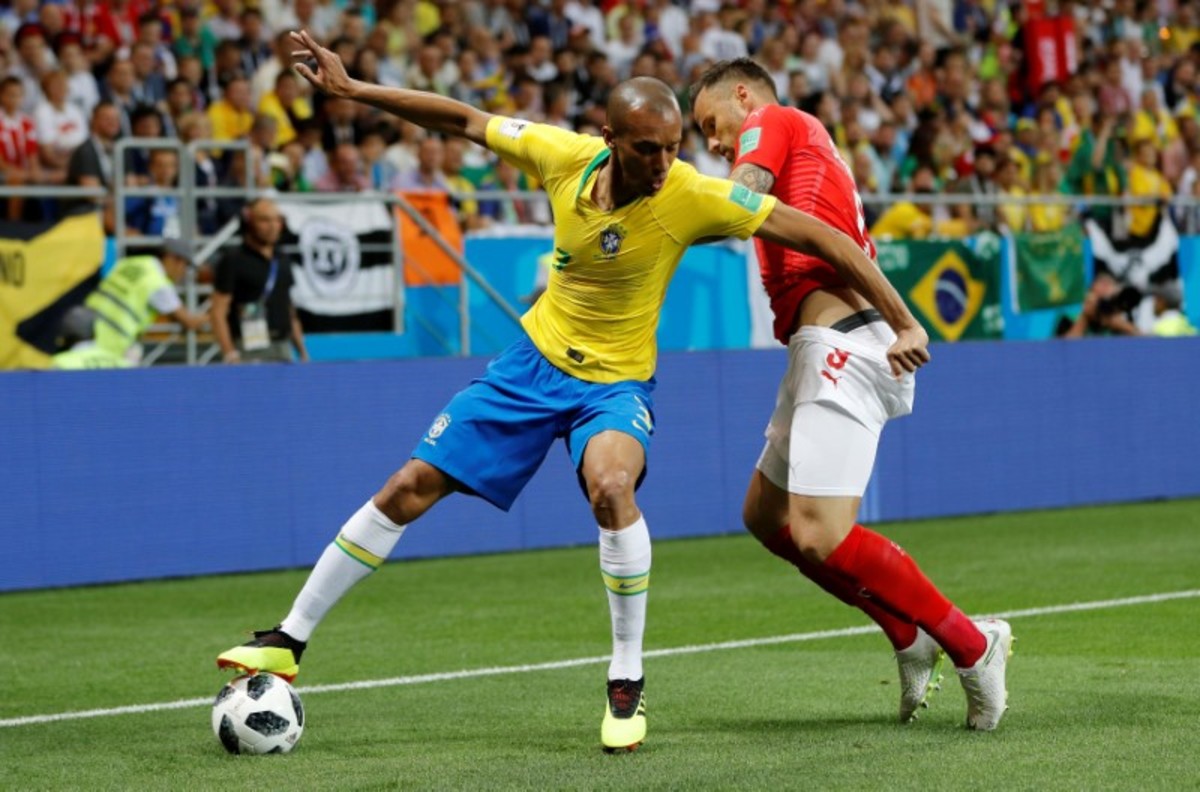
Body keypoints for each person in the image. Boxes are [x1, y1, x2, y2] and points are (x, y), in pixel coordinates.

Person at [217, 30, 930, 753]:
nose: (664, 164)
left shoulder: (689, 194)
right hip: (531, 366)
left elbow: (828, 239)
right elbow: (462, 118)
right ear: (609, 140)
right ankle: (288, 639)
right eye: (647, 150)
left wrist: (902, 320)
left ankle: (626, 680)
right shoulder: (561, 154)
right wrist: (353, 89)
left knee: (612, 487)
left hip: (614, 385)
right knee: (408, 486)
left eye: (674, 147)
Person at [689, 58, 1012, 731]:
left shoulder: (772, 120)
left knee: (818, 533)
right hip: (817, 343)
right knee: (765, 516)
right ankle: (906, 634)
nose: (713, 142)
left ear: (742, 96)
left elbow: (743, 200)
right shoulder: (804, 140)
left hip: (844, 340)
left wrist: (656, 198)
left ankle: (973, 644)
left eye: (711, 124)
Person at [56, 238, 208, 362]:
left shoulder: (133, 262)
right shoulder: (157, 283)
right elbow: (189, 322)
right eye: (185, 266)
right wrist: (213, 316)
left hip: (83, 329)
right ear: (174, 259)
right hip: (111, 343)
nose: (183, 273)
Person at [210, 196, 309, 364]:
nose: (272, 226)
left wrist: (301, 351)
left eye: (277, 220)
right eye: (264, 220)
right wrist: (229, 353)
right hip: (248, 347)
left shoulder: (282, 259)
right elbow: (218, 311)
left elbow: (289, 309)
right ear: (248, 222)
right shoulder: (234, 259)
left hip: (282, 346)